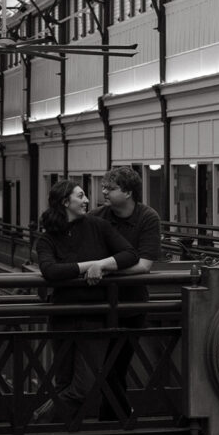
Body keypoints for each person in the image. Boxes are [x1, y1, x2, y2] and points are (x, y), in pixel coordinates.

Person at [33, 179, 138, 424]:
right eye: (80, 196)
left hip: (95, 316)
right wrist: (88, 266)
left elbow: (130, 254)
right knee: (64, 382)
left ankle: (36, 424)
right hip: (63, 317)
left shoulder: (98, 226)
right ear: (64, 202)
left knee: (83, 386)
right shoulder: (48, 238)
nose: (87, 200)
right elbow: (51, 271)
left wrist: (102, 265)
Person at [89, 166, 161, 420]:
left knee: (116, 364)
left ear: (129, 192)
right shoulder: (96, 217)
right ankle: (119, 417)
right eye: (104, 186)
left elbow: (145, 265)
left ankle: (114, 418)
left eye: (111, 188)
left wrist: (106, 269)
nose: (104, 191)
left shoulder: (147, 217)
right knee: (106, 366)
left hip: (132, 305)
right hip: (99, 305)